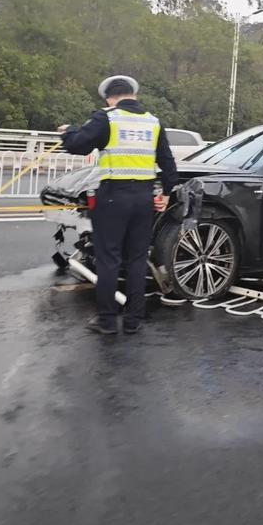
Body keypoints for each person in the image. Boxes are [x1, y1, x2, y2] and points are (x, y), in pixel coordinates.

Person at [58, 75, 178, 335]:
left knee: (109, 259)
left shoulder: (107, 118)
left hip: (113, 197)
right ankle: (134, 320)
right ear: (133, 95)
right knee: (136, 259)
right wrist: (165, 194)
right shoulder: (153, 122)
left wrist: (67, 133)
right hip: (144, 198)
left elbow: (78, 145)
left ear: (110, 98)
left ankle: (107, 320)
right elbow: (168, 165)